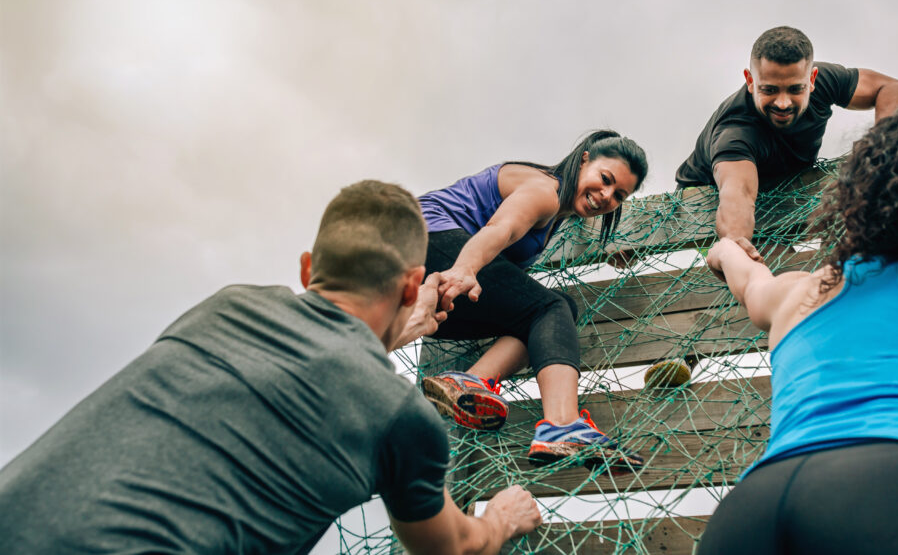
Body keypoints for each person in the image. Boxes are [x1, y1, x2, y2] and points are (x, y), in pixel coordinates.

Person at [0, 181, 542, 555]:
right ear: (410, 284)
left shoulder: (226, 306)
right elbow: (450, 546)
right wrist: (501, 517)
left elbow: (323, 351)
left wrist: (393, 327)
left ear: (308, 269)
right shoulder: (400, 416)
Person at [696, 110, 898, 555]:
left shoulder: (805, 290)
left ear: (855, 200)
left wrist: (723, 250)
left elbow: (750, 280)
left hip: (754, 508)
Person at [415, 130, 648, 470]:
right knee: (551, 307)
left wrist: (610, 251)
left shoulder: (560, 213)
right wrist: (465, 268)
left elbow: (567, 233)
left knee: (549, 314)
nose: (606, 195)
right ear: (584, 160)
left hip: (435, 285)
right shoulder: (545, 191)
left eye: (618, 194)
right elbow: (501, 229)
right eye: (605, 179)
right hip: (424, 243)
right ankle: (564, 425)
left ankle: (467, 383)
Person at [674, 25, 898, 262]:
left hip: (782, 185)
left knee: (850, 235)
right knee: (773, 267)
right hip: (707, 201)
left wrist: (886, 142)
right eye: (769, 90)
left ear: (811, 79)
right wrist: (735, 241)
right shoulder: (735, 133)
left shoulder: (825, 82)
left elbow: (894, 88)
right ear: (750, 81)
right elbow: (739, 194)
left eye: (795, 90)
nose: (783, 103)